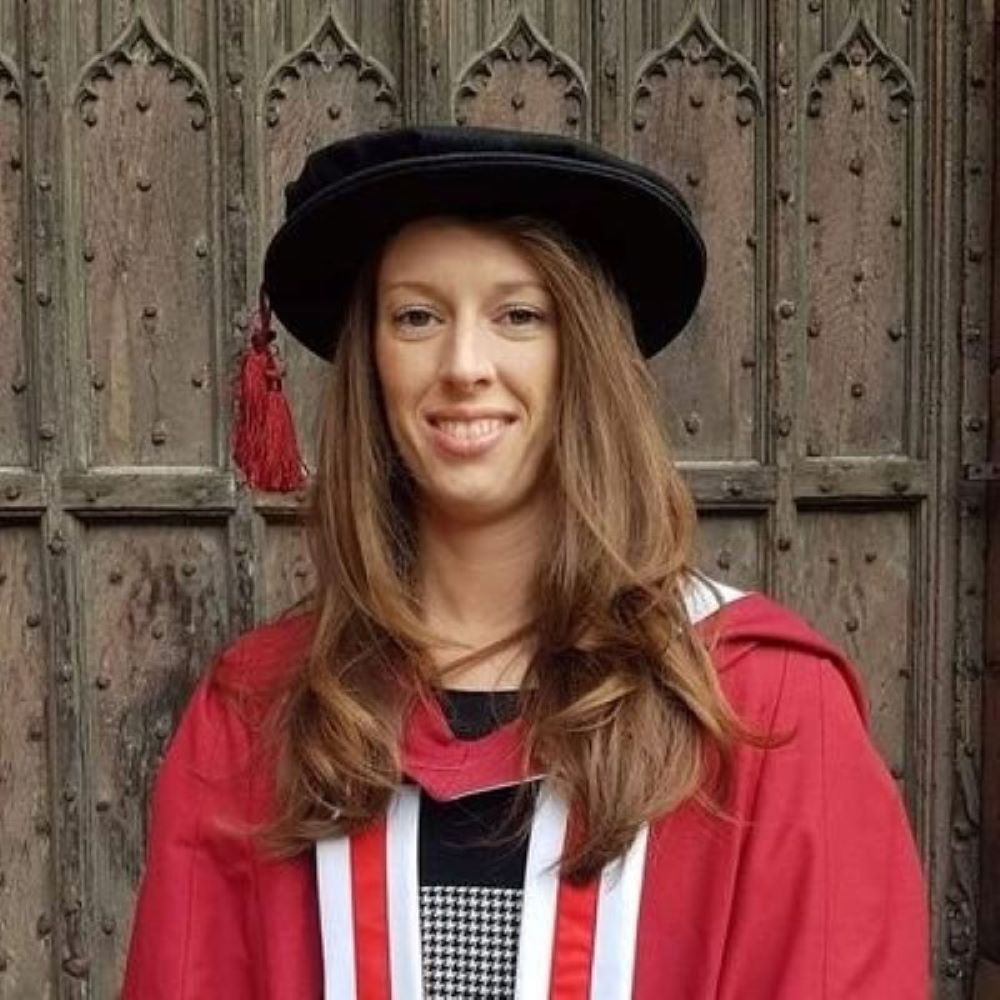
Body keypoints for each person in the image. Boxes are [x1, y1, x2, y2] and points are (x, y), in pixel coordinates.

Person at [122, 125, 929, 999]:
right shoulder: (259, 716)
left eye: (519, 316)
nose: (465, 365)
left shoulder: (762, 707)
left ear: (582, 355)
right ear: (373, 361)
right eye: (417, 316)